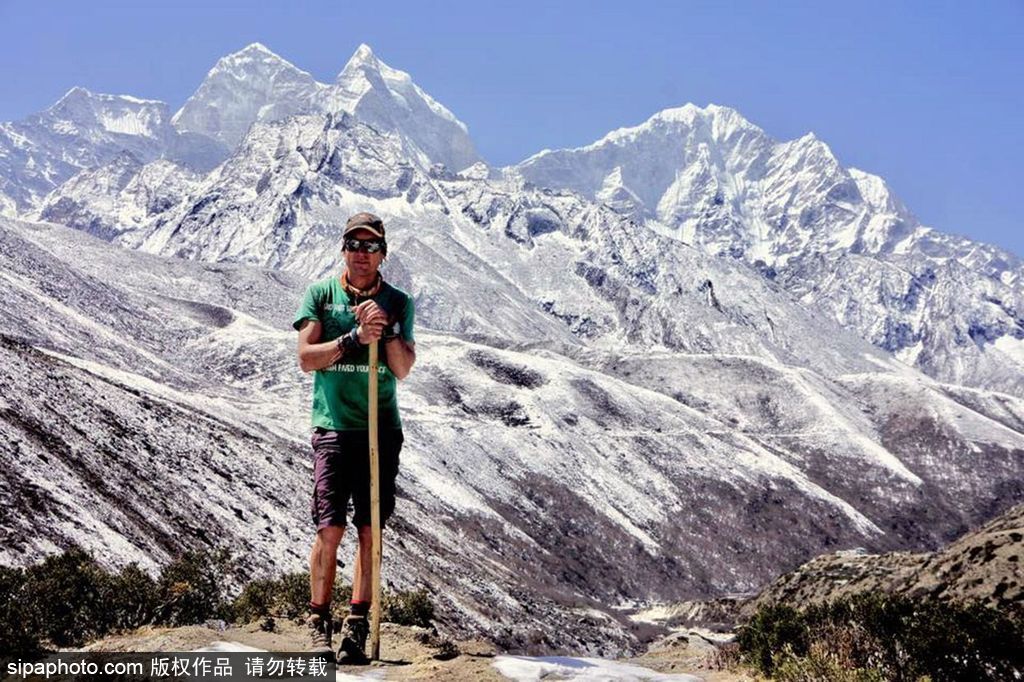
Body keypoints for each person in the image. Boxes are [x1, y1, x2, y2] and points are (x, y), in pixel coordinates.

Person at [292, 212, 416, 663]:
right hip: (333, 427)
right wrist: (353, 338)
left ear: (383, 252)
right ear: (343, 249)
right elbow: (307, 358)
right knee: (330, 527)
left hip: (380, 429)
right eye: (354, 245)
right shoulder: (321, 296)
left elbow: (401, 368)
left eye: (371, 246)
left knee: (370, 531)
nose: (362, 254)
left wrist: (384, 333)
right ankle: (318, 621)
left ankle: (357, 625)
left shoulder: (398, 302)